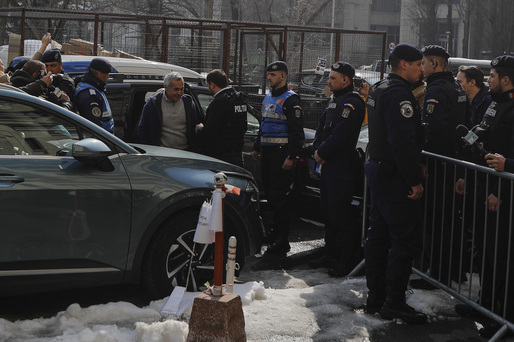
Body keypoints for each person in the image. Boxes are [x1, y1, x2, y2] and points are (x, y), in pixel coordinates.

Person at [364, 43, 427, 324]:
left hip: (378, 169)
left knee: (378, 236)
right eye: (418, 65)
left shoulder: (379, 87)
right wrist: (414, 180)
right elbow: (402, 142)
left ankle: (376, 296)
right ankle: (394, 302)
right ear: (404, 64)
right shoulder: (399, 93)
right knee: (404, 239)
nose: (422, 70)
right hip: (393, 175)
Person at [455, 55, 514, 338]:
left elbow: (506, 158)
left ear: (506, 79)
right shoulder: (495, 103)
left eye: (491, 76)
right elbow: (483, 139)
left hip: (502, 195)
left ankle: (502, 314)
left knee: (500, 256)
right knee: (485, 251)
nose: (488, 80)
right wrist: (468, 173)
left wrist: (499, 188)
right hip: (482, 186)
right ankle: (486, 305)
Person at [410, 45, 468, 289]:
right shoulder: (455, 86)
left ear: (434, 63)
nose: (421, 68)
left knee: (437, 222)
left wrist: (424, 161)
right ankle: (455, 271)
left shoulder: (436, 88)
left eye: (423, 63)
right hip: (454, 162)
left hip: (440, 163)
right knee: (450, 221)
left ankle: (438, 275)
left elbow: (432, 130)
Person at [309, 61, 365, 277]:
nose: (329, 81)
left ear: (346, 80)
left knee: (340, 215)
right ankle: (330, 253)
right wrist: (317, 150)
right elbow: (322, 128)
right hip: (328, 165)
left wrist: (321, 153)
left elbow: (341, 134)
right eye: (329, 77)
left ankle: (345, 259)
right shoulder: (335, 101)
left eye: (333, 78)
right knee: (328, 213)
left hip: (341, 166)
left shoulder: (352, 103)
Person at [251, 61, 304, 255]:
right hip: (268, 154)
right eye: (268, 75)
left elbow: (296, 132)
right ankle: (274, 235)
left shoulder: (291, 100)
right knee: (272, 197)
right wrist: (258, 146)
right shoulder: (267, 99)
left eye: (273, 75)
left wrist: (291, 156)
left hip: (282, 155)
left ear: (283, 76)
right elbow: (263, 124)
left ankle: (283, 241)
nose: (269, 78)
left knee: (280, 198)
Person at [195, 69, 247, 166]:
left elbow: (210, 131)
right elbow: (243, 126)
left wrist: (199, 129)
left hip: (221, 157)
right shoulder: (239, 99)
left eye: (208, 85)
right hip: (237, 155)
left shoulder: (219, 102)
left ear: (212, 85)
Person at [138, 71, 202, 151]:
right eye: (176, 89)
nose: (179, 93)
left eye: (181, 89)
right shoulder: (153, 103)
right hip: (161, 154)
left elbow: (194, 128)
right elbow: (143, 129)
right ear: (166, 87)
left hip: (185, 154)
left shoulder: (188, 103)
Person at [74, 58, 114, 133]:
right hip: (101, 139)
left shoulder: (93, 87)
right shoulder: (90, 96)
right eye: (107, 74)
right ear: (100, 74)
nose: (108, 76)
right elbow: (94, 128)